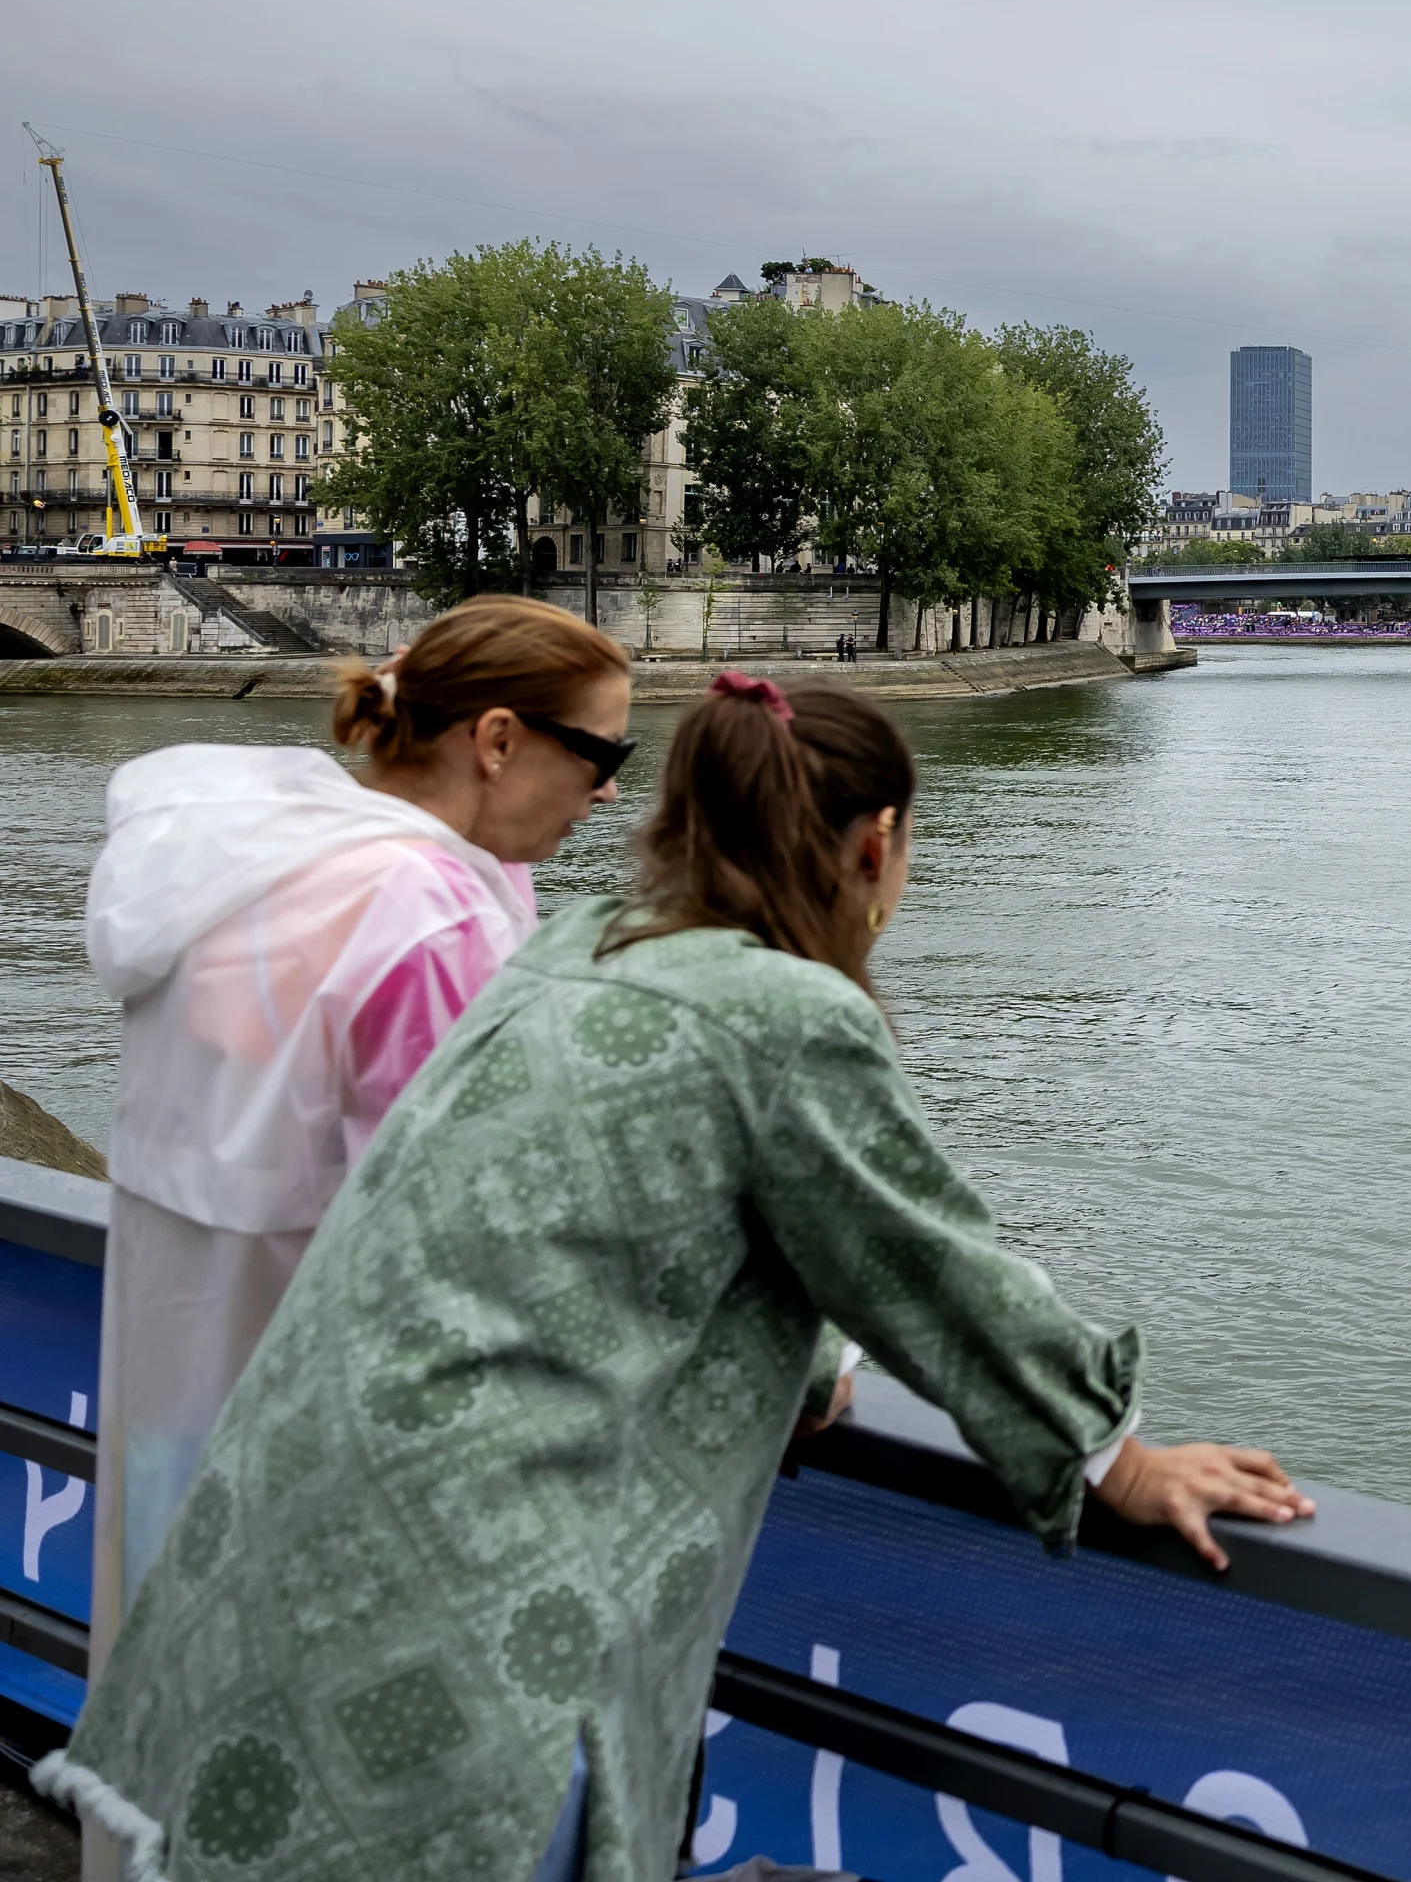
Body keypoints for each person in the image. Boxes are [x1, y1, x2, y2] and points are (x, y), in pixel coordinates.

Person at [39, 675, 1306, 1882]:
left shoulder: (586, 940)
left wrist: (811, 1362)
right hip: (467, 1606)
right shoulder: (784, 1013)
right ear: (877, 846)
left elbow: (635, 1197)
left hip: (278, 1551)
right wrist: (1115, 1457)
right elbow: (925, 1257)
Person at [77, 594, 633, 1668]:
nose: (610, 789)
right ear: (499, 739)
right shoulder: (427, 917)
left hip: (176, 1385)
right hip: (332, 1440)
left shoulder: (254, 868)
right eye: (606, 749)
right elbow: (479, 1225)